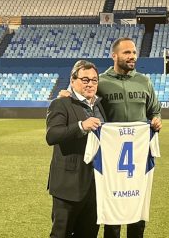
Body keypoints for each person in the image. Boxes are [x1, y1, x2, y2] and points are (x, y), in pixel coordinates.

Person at [60, 37, 162, 238]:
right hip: (110, 157)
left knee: (137, 210)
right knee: (112, 214)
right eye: (126, 53)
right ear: (114, 55)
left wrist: (157, 120)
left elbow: (154, 111)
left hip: (137, 157)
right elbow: (83, 97)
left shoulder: (144, 81)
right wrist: (66, 96)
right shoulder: (102, 81)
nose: (132, 56)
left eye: (133, 52)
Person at [46, 60, 106, 238]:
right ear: (73, 81)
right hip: (68, 186)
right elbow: (52, 135)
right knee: (61, 234)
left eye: (94, 80)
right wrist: (81, 126)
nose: (90, 84)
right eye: (85, 79)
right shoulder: (60, 103)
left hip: (95, 187)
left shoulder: (99, 105)